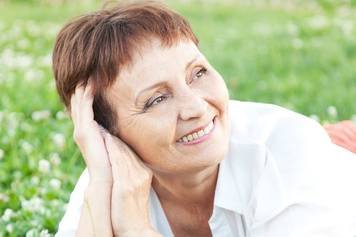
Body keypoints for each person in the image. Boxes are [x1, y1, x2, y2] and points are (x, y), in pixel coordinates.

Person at [52, 1, 356, 236]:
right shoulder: (107, 180)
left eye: (198, 73)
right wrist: (101, 186)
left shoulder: (289, 151)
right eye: (157, 99)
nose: (196, 107)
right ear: (105, 132)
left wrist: (137, 231)